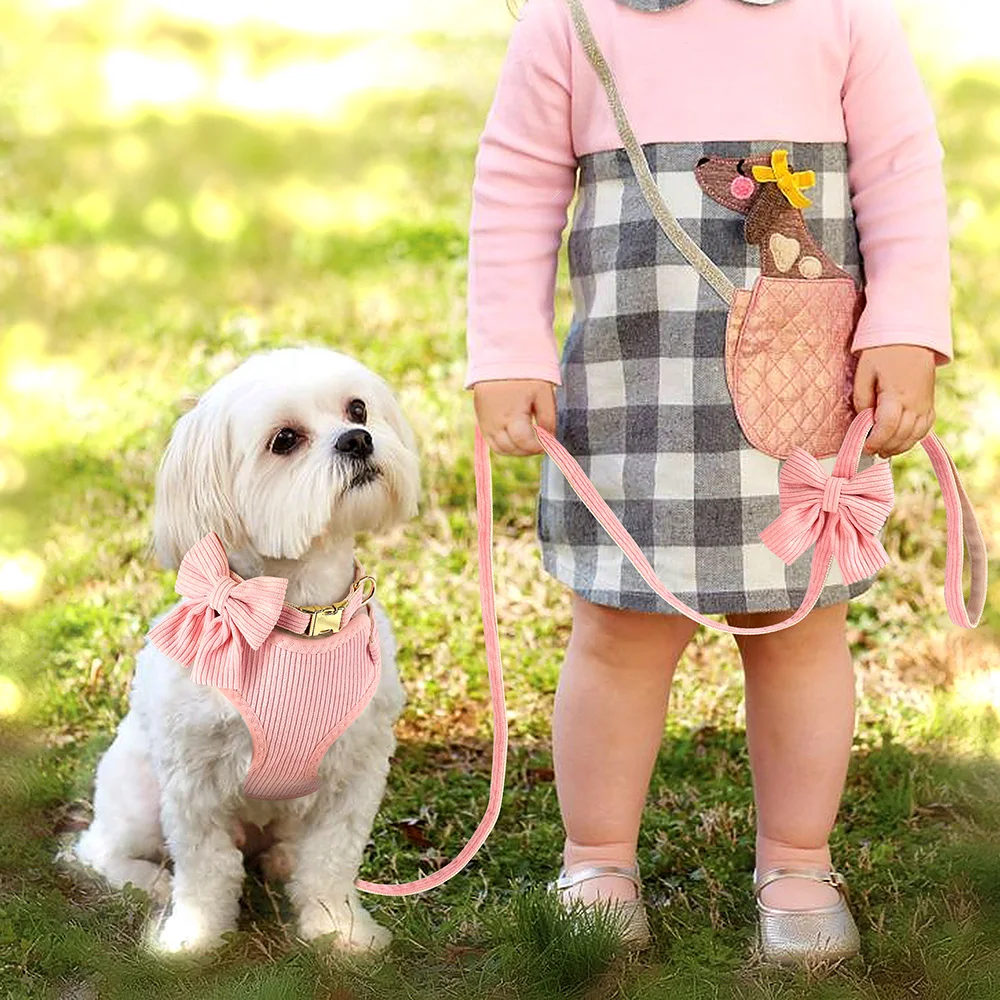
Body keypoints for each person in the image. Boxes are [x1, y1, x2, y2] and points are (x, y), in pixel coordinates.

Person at [466, 0, 950, 964]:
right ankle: (597, 857)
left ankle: (798, 859)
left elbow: (902, 173)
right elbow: (514, 186)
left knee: (802, 629)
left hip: (800, 393)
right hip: (631, 380)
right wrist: (509, 347)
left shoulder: (847, 15)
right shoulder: (572, 21)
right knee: (619, 628)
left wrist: (904, 325)